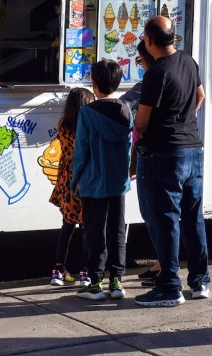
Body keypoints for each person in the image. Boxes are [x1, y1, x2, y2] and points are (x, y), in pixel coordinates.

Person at [134, 15, 210, 308]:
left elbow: (142, 121)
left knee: (166, 220)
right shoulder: (188, 61)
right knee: (193, 218)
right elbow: (200, 95)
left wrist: (160, 126)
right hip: (193, 149)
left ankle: (169, 287)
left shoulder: (156, 73)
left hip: (163, 153)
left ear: (149, 41)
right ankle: (200, 280)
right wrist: (184, 119)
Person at [71, 59, 133, 301]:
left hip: (93, 182)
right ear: (117, 83)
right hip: (118, 181)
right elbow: (129, 147)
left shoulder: (87, 113)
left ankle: (95, 284)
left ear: (93, 84)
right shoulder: (126, 110)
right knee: (117, 230)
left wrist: (75, 180)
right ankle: (117, 282)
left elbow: (81, 150)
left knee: (94, 232)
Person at [119, 40, 161, 285]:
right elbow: (200, 96)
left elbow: (125, 110)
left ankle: (164, 269)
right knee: (163, 213)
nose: (140, 65)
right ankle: (162, 265)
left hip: (151, 154)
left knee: (154, 212)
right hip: (173, 151)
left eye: (140, 60)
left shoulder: (147, 85)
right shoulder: (182, 71)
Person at [48, 86, 95, 287]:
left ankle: (58, 270)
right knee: (86, 227)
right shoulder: (89, 126)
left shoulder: (63, 124)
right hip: (84, 178)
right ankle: (85, 272)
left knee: (67, 225)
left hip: (66, 178)